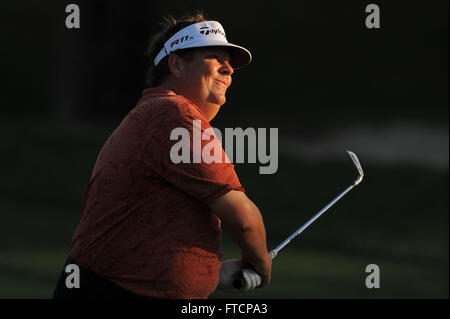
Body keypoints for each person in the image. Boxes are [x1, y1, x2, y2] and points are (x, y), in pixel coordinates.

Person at [53, 12, 271, 299]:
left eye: (229, 63)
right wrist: (261, 264)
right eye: (215, 58)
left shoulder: (157, 114)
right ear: (177, 65)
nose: (228, 69)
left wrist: (209, 271)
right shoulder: (173, 114)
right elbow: (243, 218)